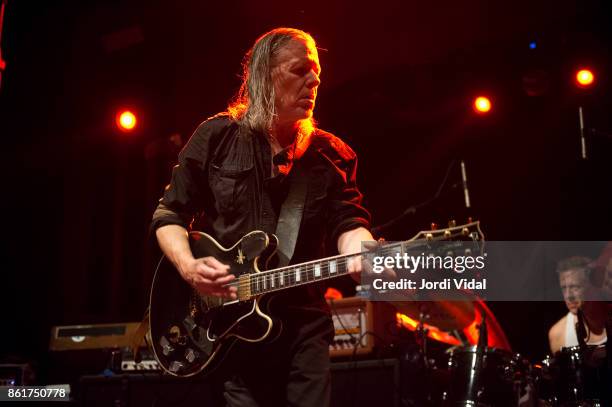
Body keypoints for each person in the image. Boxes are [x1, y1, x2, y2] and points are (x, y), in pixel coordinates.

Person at [150, 27, 375, 407]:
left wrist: (362, 251)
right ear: (264, 74)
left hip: (305, 328)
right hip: (231, 329)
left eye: (316, 73)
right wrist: (188, 267)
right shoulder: (216, 136)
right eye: (299, 70)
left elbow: (349, 223)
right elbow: (169, 213)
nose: (314, 81)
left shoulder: (331, 156)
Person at [548, 256, 608, 354]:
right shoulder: (558, 334)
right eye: (563, 288)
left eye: (575, 287)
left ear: (593, 286)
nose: (568, 296)